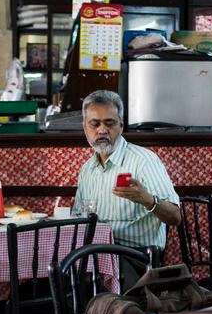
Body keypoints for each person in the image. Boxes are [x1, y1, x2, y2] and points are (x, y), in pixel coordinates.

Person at [75, 90, 181, 253]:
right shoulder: (87, 169)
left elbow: (175, 217)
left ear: (121, 125)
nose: (102, 130)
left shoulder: (144, 161)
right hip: (95, 253)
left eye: (109, 123)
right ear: (84, 127)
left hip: (135, 256)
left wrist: (148, 200)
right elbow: (79, 217)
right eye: (95, 124)